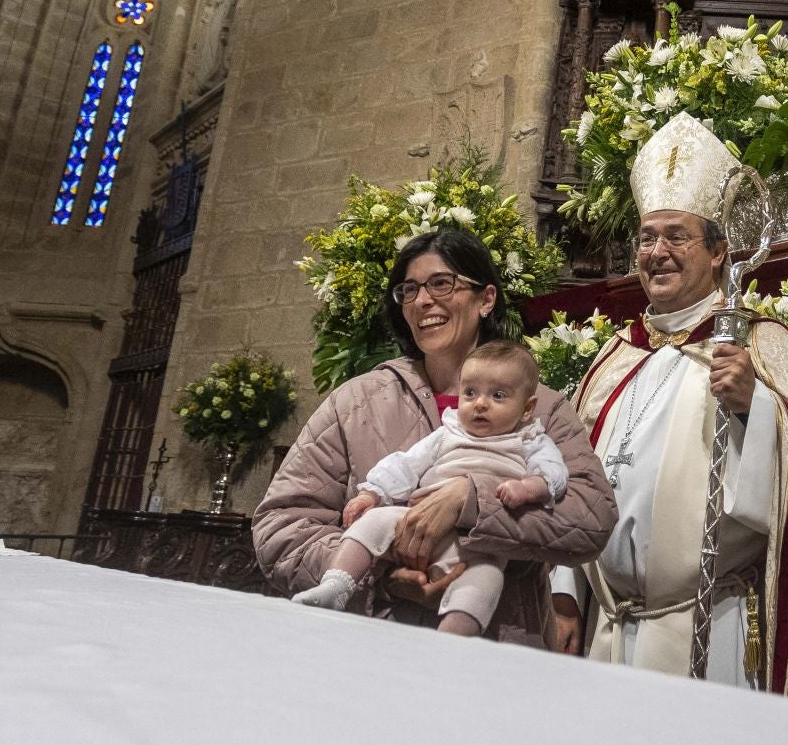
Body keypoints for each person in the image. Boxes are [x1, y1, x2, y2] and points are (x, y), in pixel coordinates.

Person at [555, 112, 788, 698]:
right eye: (647, 238)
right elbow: (569, 479)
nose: (657, 252)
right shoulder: (615, 357)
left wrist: (758, 407)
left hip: (709, 626)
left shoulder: (757, 343)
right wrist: (562, 594)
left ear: (719, 251)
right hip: (608, 626)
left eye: (676, 236)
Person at [254, 229, 615, 647]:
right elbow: (281, 524)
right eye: (409, 290)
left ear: (486, 299)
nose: (422, 300)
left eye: (442, 283)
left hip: (498, 648)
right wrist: (381, 572)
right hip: (368, 644)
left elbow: (592, 519)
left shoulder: (542, 409)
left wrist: (473, 501)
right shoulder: (356, 402)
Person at [289, 341, 567, 636]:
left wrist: (529, 489)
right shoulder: (449, 433)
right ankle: (336, 586)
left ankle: (449, 641)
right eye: (470, 393)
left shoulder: (531, 440)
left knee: (487, 580)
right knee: (373, 521)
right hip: (417, 519)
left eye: (497, 395)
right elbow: (406, 464)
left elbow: (554, 473)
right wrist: (373, 493)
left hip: (480, 545)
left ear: (527, 408)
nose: (480, 404)